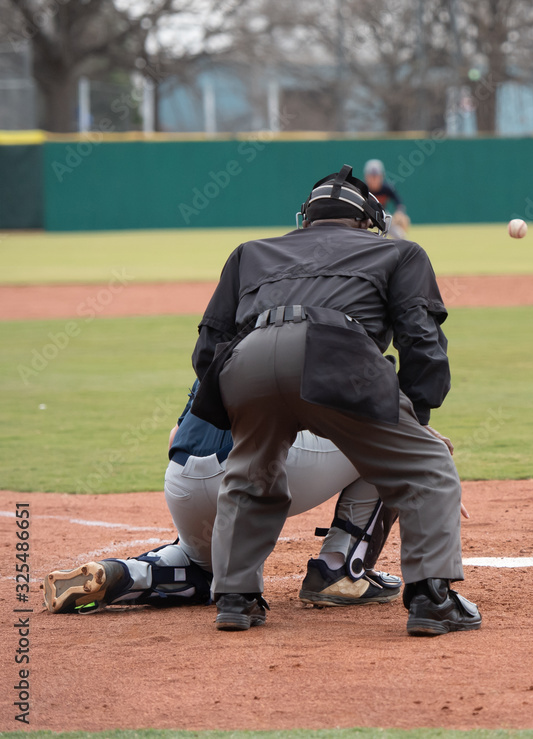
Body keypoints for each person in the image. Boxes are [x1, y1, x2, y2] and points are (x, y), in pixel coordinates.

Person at [191, 164, 479, 636]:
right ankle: (432, 599)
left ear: (305, 217)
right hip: (336, 352)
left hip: (247, 359)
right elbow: (421, 343)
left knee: (251, 475)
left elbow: (209, 347)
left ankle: (236, 598)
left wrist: (236, 413)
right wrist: (416, 416)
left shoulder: (248, 252)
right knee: (428, 467)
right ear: (369, 219)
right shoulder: (399, 251)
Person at [43, 379, 404, 614]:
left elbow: (174, 438)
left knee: (203, 568)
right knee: (395, 441)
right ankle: (340, 569)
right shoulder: (316, 331)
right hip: (256, 474)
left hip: (182, 483)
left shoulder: (229, 340)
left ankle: (127, 572)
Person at [363, 159, 410, 239]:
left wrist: (400, 212)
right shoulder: (362, 189)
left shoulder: (387, 189)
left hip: (383, 217)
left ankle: (404, 246)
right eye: (371, 176)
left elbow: (398, 201)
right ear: (366, 177)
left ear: (381, 177)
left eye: (376, 176)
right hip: (365, 218)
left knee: (400, 236)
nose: (374, 179)